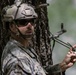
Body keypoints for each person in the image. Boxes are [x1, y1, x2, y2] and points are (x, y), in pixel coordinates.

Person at [1, 1, 76, 75]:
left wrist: (61, 66)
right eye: (23, 22)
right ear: (12, 26)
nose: (29, 25)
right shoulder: (17, 60)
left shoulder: (23, 48)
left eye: (32, 21)